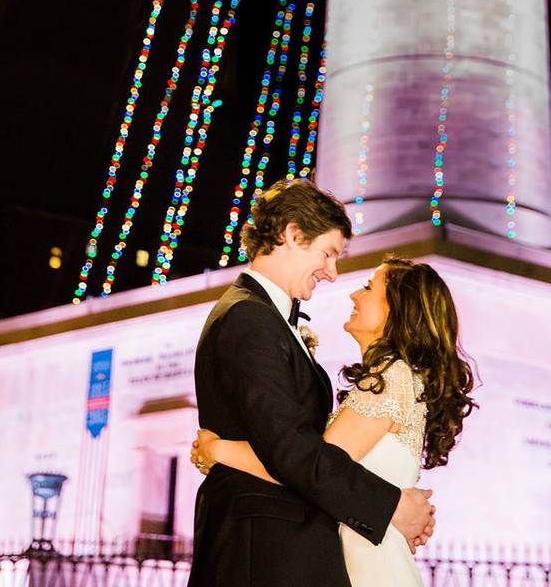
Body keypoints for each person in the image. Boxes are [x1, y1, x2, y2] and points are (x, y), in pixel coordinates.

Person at [186, 179, 437, 587]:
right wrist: (391, 506)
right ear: (292, 234)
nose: (332, 274)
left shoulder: (266, 318)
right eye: (328, 253)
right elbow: (292, 450)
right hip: (263, 555)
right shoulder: (249, 318)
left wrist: (219, 450)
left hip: (281, 552)